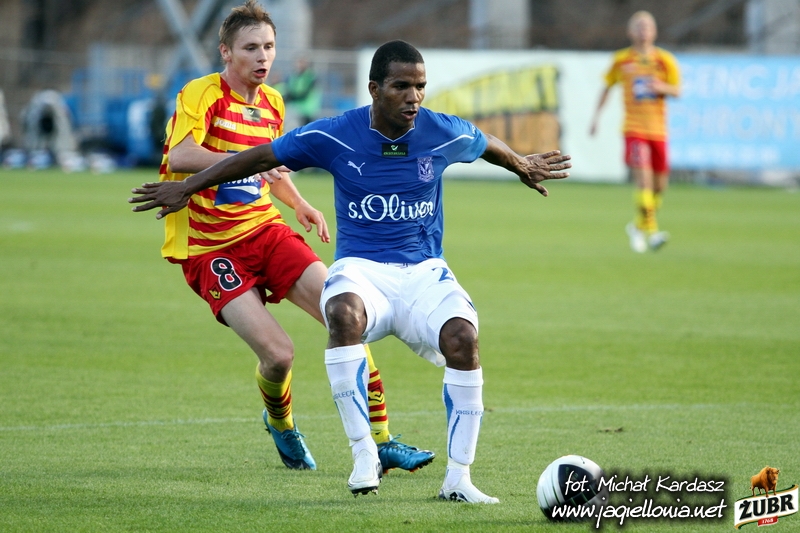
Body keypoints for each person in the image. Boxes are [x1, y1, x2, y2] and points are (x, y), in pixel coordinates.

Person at [129, 39, 571, 503]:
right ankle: (365, 453)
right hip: (361, 268)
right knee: (340, 313)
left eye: (420, 86)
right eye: (401, 87)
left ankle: (459, 479)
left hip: (424, 271)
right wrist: (190, 186)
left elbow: (483, 143)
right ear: (375, 89)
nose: (414, 97)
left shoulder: (441, 130)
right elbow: (261, 158)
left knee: (463, 337)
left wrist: (521, 164)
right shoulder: (336, 134)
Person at [145, 2, 433, 474]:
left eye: (269, 47)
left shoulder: (274, 104)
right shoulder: (202, 93)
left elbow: (274, 168)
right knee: (279, 355)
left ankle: (382, 442)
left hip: (266, 231)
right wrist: (247, 157)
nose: (262, 57)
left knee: (348, 316)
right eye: (250, 48)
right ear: (226, 52)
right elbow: (181, 155)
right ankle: (280, 422)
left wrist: (298, 203)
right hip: (210, 248)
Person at [589, 10, 681, 253]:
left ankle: (638, 227)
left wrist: (661, 87)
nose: (643, 31)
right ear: (630, 32)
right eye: (639, 26)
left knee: (660, 186)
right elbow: (607, 87)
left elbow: (677, 90)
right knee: (644, 180)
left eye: (647, 26)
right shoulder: (622, 60)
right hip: (634, 129)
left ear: (654, 31)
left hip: (658, 130)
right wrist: (596, 118)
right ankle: (653, 232)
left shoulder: (665, 60)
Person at [283, 57, 322, 126]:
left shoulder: (310, 76)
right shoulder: (293, 76)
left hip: (307, 109)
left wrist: (292, 97)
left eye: (301, 62)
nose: (299, 65)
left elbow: (305, 93)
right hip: (296, 107)